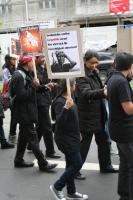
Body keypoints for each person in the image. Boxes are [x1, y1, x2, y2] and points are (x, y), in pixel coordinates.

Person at [75, 50, 118, 180]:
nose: (94, 65)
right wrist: (103, 92)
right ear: (85, 61)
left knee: (104, 142)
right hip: (86, 116)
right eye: (91, 63)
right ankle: (75, 170)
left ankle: (106, 166)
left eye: (96, 63)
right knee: (84, 146)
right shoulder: (81, 75)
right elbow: (87, 93)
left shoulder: (95, 72)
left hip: (99, 114)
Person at [10, 56, 57, 171]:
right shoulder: (18, 76)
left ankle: (18, 160)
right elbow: (21, 96)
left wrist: (45, 87)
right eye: (31, 61)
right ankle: (43, 163)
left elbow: (33, 90)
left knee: (23, 137)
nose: (33, 63)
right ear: (27, 63)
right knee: (33, 138)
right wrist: (33, 85)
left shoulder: (26, 73)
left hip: (27, 111)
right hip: (23, 112)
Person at [50, 79, 88, 200]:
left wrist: (79, 132)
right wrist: (66, 107)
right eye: (74, 84)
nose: (75, 86)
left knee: (70, 164)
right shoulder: (60, 102)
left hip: (73, 136)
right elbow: (59, 123)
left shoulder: (70, 99)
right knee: (77, 164)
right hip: (64, 138)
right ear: (69, 86)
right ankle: (57, 186)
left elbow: (74, 119)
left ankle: (71, 192)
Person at [107, 52, 133, 200]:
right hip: (126, 131)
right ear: (129, 66)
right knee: (130, 165)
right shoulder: (121, 82)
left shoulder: (113, 78)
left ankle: (124, 194)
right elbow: (128, 109)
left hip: (117, 128)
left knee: (125, 163)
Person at [27, 55, 60, 158]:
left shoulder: (44, 68)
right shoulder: (33, 70)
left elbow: (46, 81)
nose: (44, 59)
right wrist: (44, 85)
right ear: (35, 58)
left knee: (41, 126)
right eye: (41, 57)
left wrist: (51, 83)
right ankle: (50, 151)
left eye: (45, 57)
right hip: (39, 101)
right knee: (47, 127)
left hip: (46, 99)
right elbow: (37, 87)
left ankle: (31, 146)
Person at [2, 54, 17, 144]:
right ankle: (12, 135)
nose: (15, 60)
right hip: (10, 95)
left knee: (16, 115)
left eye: (15, 59)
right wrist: (14, 78)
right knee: (14, 115)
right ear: (8, 60)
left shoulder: (14, 69)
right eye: (13, 59)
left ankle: (13, 134)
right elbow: (5, 81)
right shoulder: (6, 69)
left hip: (16, 94)